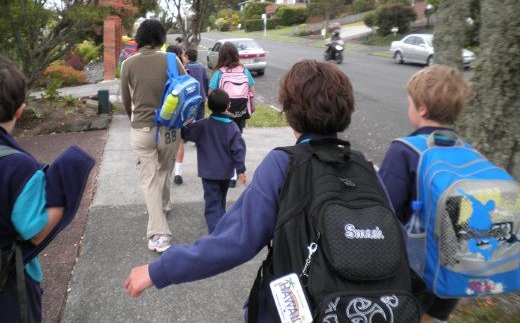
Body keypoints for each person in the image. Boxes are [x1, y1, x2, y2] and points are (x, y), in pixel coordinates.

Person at [124, 60, 362, 322]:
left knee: (215, 205)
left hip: (305, 305)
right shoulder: (364, 167)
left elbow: (237, 240)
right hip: (368, 306)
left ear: (289, 111)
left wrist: (161, 271)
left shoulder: (284, 164)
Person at [0, 54, 93, 323]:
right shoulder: (17, 167)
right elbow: (35, 231)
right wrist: (66, 185)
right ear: (20, 110)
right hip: (4, 295)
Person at [377, 64, 470, 323]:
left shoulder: (405, 151)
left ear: (422, 109)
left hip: (413, 273)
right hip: (453, 273)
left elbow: (383, 213)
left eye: (409, 102)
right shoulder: (467, 152)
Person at [120, 19, 187, 253]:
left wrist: (134, 119)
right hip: (169, 129)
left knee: (149, 180)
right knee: (163, 170)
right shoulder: (172, 59)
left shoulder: (128, 64)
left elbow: (126, 101)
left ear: (138, 39)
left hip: (142, 129)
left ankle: (158, 235)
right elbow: (185, 90)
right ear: (161, 39)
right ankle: (164, 205)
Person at [181, 88, 246, 233]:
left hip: (208, 173)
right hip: (225, 172)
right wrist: (240, 169)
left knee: (212, 203)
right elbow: (238, 149)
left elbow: (186, 132)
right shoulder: (233, 128)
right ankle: (221, 225)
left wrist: (182, 121)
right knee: (221, 199)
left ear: (209, 105)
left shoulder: (202, 125)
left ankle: (215, 233)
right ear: (228, 105)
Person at [208, 42, 255, 187]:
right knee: (236, 141)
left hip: (224, 114)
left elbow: (211, 93)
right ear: (236, 55)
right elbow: (252, 92)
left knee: (224, 144)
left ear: (221, 56)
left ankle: (225, 172)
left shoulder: (219, 73)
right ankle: (235, 174)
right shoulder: (244, 71)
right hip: (240, 113)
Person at [172, 48, 209, 185]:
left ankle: (186, 135)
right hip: (201, 96)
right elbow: (205, 81)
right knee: (200, 118)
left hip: (189, 98)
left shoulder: (185, 68)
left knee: (188, 118)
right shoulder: (201, 67)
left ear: (187, 57)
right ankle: (199, 139)